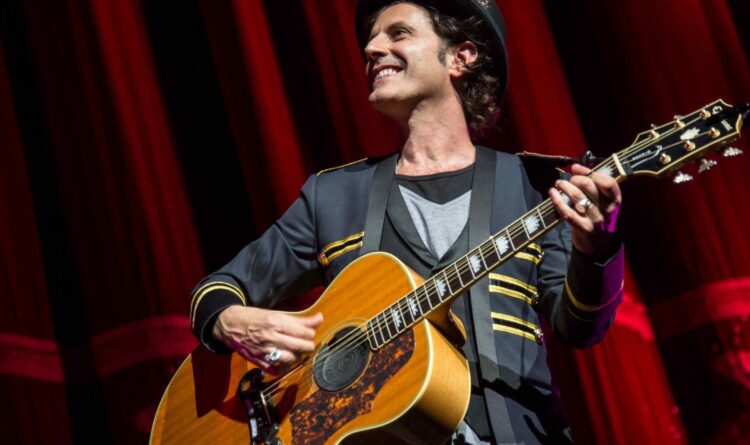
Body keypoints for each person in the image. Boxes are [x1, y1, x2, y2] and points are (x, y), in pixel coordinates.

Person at [189, 1, 624, 443]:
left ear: (460, 57)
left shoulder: (535, 187)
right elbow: (218, 290)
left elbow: (580, 327)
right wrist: (230, 321)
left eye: (398, 33)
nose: (372, 48)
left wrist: (596, 249)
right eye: (371, 39)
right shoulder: (334, 196)